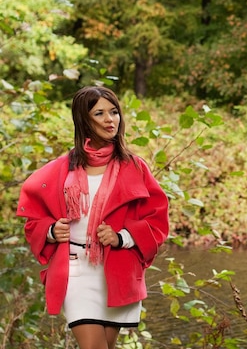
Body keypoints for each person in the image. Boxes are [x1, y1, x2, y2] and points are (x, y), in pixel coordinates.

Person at [16, 86, 169, 349]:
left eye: (114, 112)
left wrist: (122, 237)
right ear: (83, 119)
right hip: (76, 271)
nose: (110, 119)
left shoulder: (134, 166)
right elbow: (33, 220)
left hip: (118, 271)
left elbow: (157, 220)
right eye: (100, 113)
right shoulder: (61, 168)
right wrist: (52, 231)